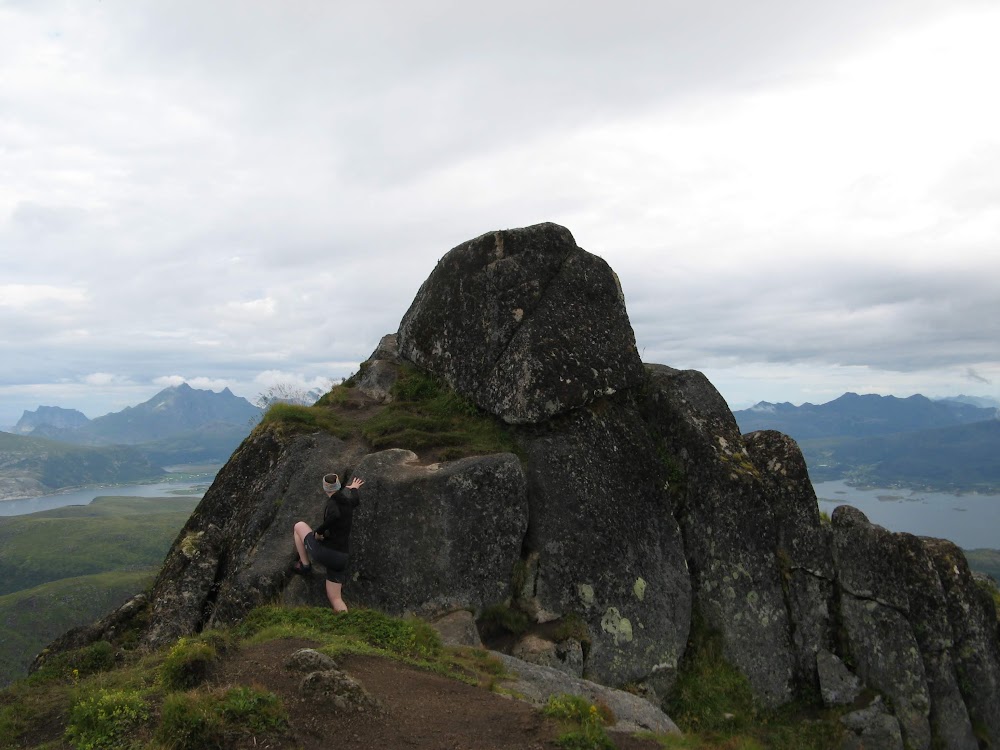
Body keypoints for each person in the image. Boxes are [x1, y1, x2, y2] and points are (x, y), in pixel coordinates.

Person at [292, 472, 364, 613]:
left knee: (299, 526)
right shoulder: (347, 503)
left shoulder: (332, 505)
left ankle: (305, 565)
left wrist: (318, 533)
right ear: (338, 486)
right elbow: (356, 500)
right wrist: (354, 488)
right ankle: (348, 624)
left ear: (325, 489)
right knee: (336, 598)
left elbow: (334, 516)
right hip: (341, 558)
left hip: (326, 554)